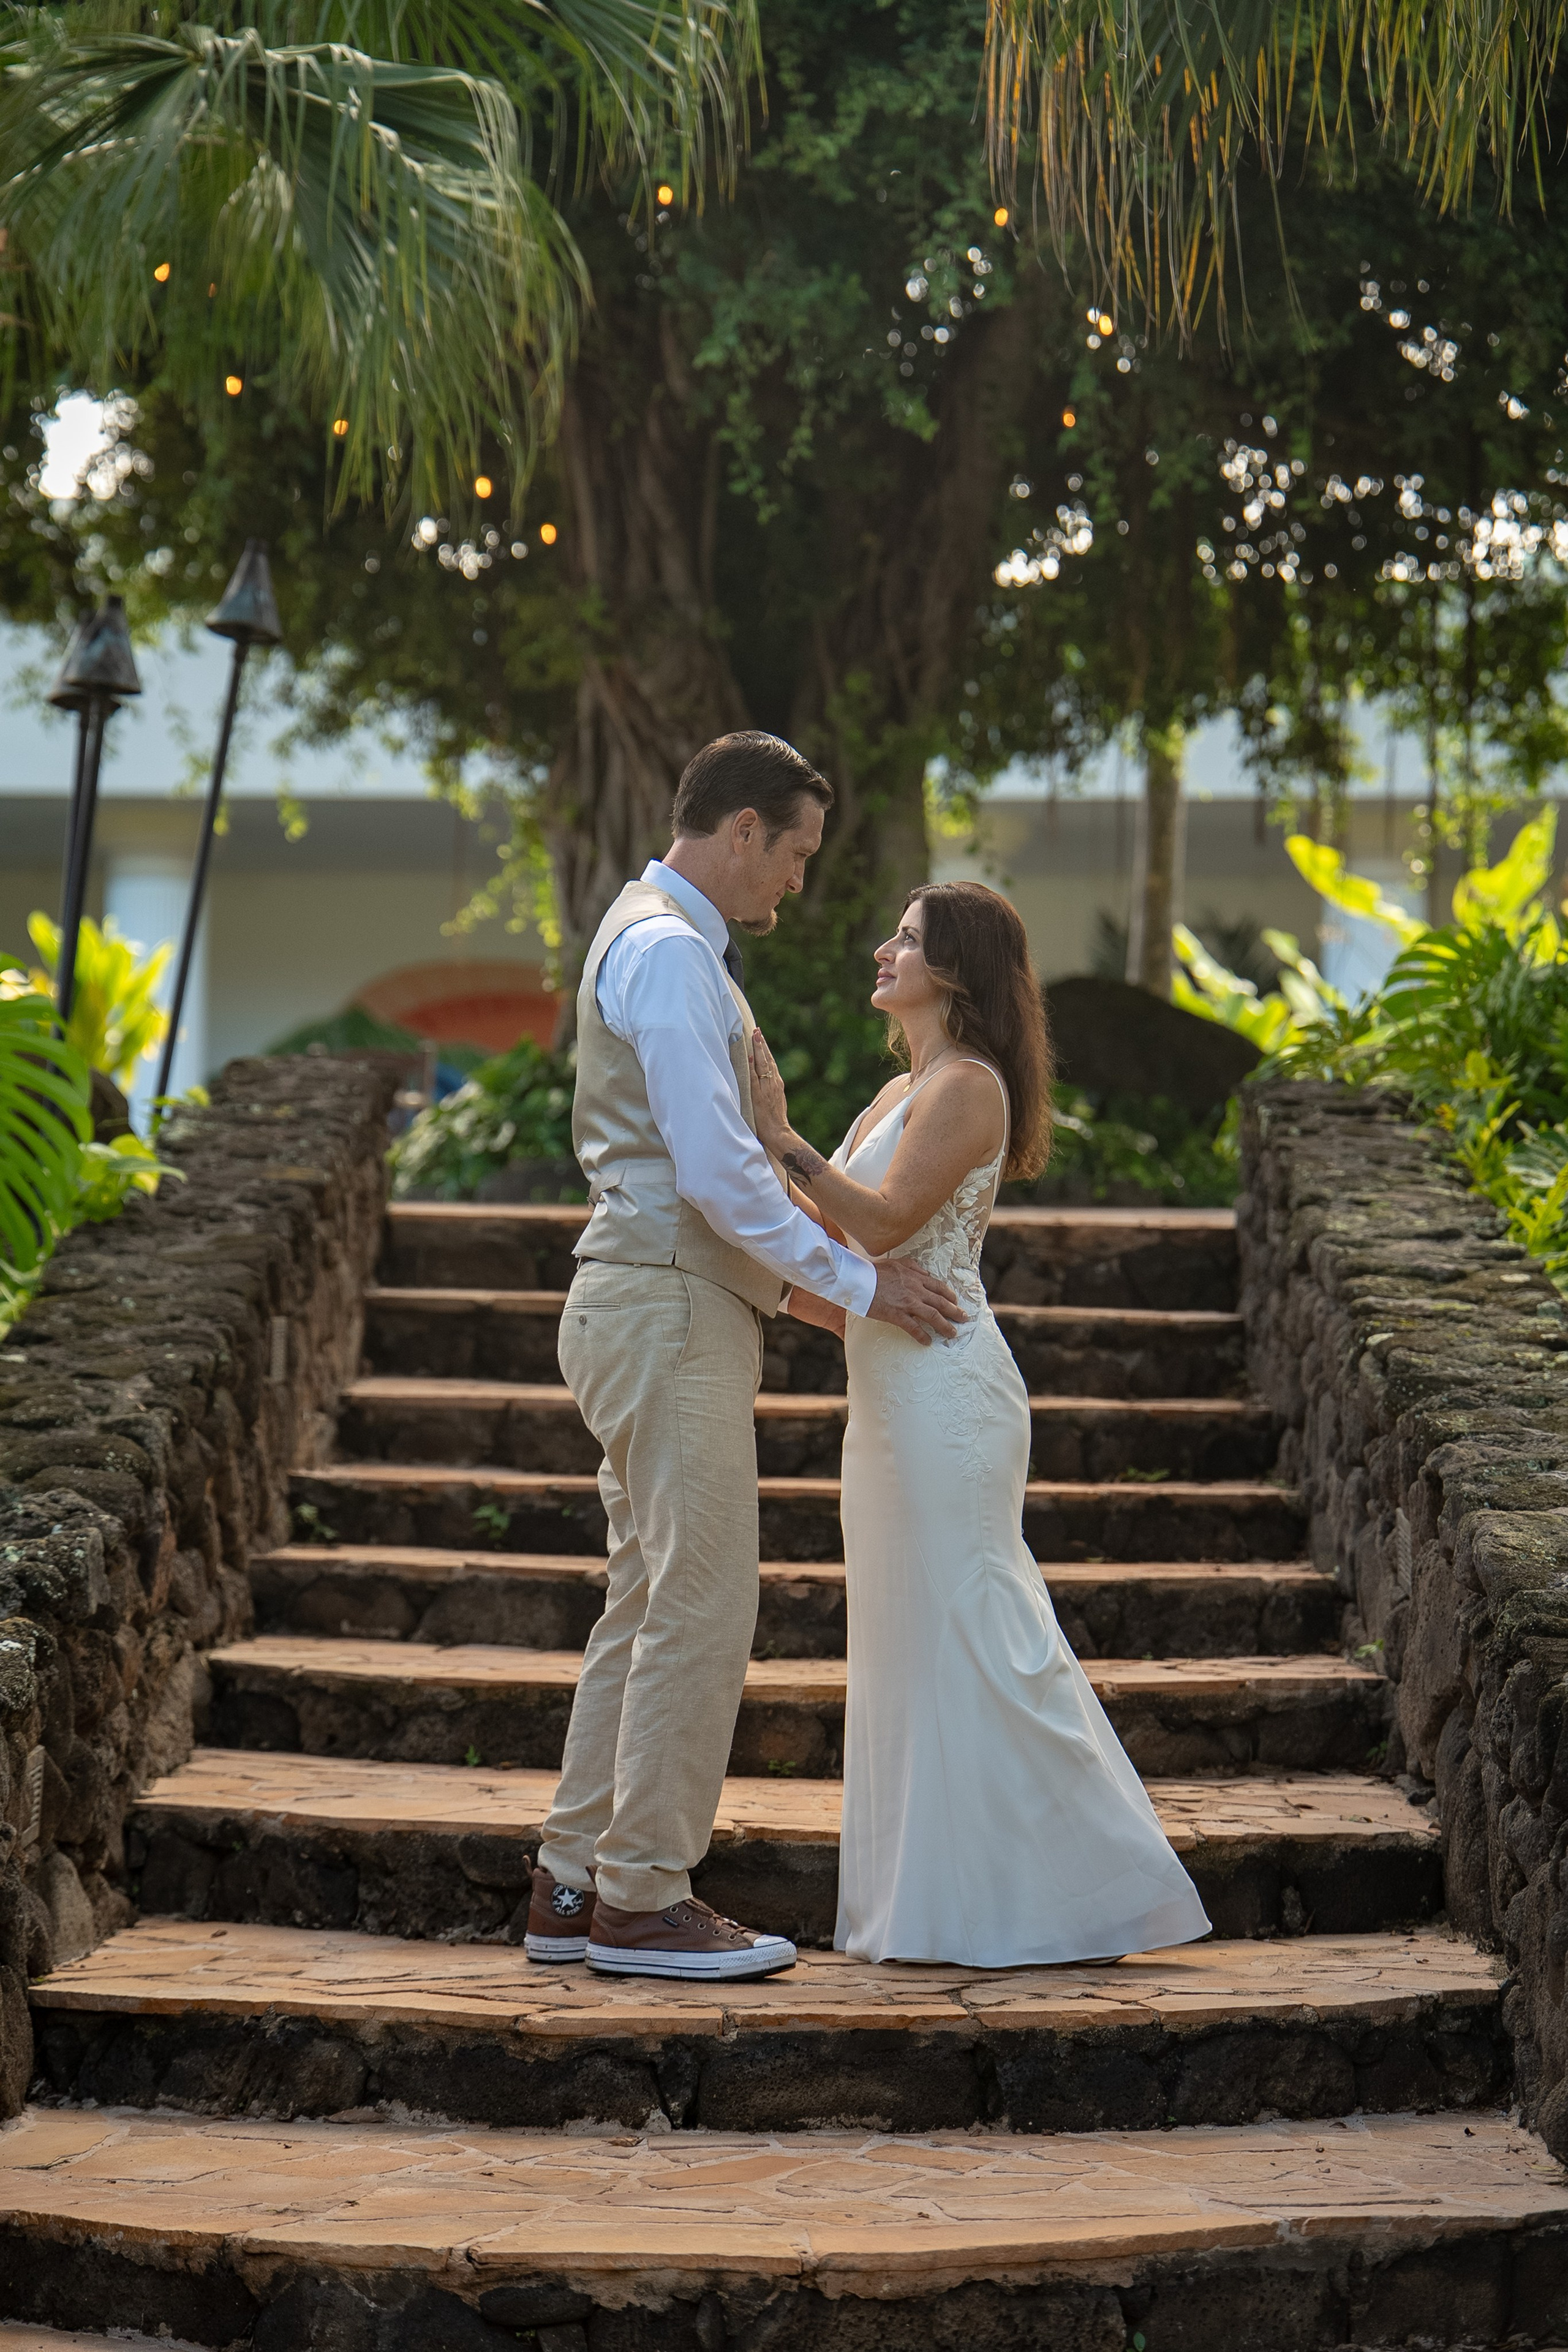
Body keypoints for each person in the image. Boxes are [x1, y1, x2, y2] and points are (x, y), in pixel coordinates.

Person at [523, 733, 964, 1982]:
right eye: (795, 853)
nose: (798, 883)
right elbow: (719, 1171)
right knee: (704, 1603)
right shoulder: (668, 954)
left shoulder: (658, 938)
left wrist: (830, 1302)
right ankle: (644, 1896)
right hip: (662, 1303)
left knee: (647, 1598)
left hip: (653, 1297)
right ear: (738, 832)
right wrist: (862, 1280)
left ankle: (572, 1884)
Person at [747, 880, 1212, 1967]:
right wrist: (775, 1271)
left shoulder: (970, 1088)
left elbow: (885, 1220)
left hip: (951, 1396)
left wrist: (780, 1139)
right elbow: (835, 1256)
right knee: (905, 1641)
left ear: (952, 968)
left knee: (981, 1621)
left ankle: (1094, 1885)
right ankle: (937, 1906)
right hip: (887, 1400)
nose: (881, 948)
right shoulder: (889, 1097)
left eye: (904, 939)